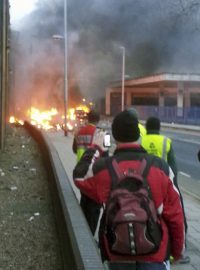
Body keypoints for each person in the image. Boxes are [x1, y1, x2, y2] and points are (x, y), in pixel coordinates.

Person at [73, 110, 185, 270]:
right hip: (155, 255)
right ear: (139, 135)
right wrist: (178, 252)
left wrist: (96, 147)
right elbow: (175, 216)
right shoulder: (160, 168)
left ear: (114, 138)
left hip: (116, 254)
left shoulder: (104, 168)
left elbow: (79, 176)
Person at [141, 116, 190, 264]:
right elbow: (173, 167)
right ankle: (177, 252)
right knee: (177, 217)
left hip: (144, 183)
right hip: (164, 182)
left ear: (147, 128)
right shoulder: (165, 142)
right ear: (159, 127)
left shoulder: (141, 141)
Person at [72, 109, 109, 235]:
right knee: (94, 206)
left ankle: (82, 232)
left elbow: (74, 149)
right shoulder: (104, 133)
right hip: (96, 173)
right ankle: (90, 235)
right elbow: (107, 155)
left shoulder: (79, 132)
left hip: (81, 171)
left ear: (88, 118)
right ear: (99, 119)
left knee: (84, 201)